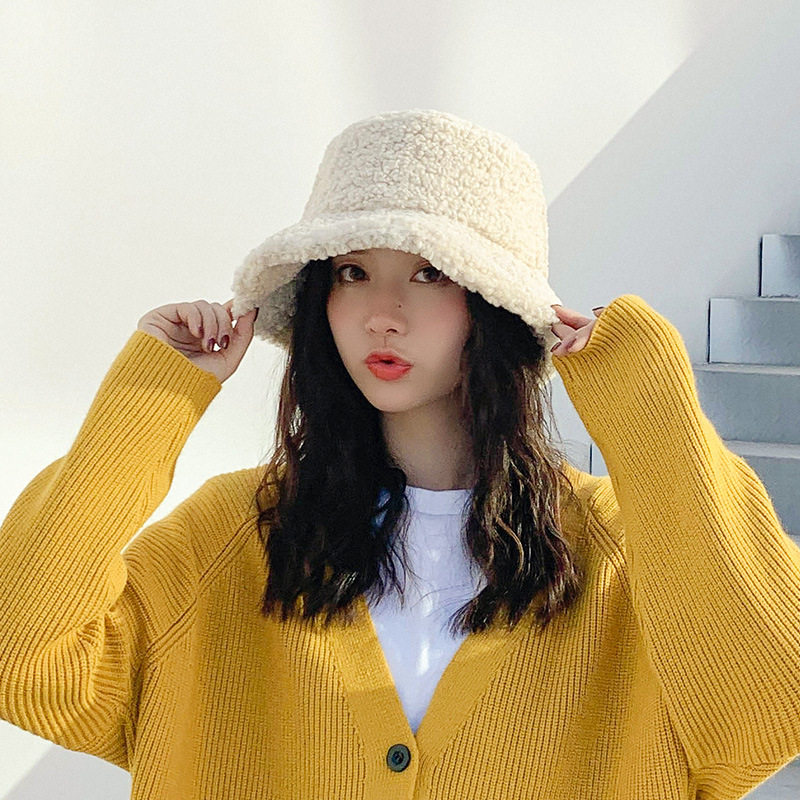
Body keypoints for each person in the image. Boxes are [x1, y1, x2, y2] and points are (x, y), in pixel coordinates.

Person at [1, 109, 799, 800]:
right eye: (352, 272)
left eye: (430, 272)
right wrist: (150, 402)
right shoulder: (234, 536)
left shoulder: (620, 551)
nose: (381, 313)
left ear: (494, 304)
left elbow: (766, 713)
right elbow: (21, 657)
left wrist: (653, 418)